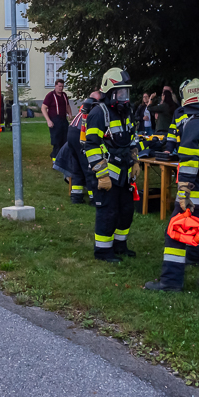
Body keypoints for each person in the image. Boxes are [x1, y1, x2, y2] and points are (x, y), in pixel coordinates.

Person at [145, 79, 199, 295]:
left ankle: (171, 282)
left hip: (198, 193)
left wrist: (183, 192)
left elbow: (190, 161)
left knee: (175, 233)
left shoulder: (195, 123)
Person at [83, 68, 139, 262]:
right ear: (109, 92)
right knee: (108, 212)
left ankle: (120, 245)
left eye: (126, 92)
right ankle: (103, 251)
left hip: (124, 173)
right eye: (120, 93)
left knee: (126, 210)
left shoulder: (126, 112)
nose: (124, 97)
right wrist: (102, 174)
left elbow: (132, 138)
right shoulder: (99, 113)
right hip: (106, 174)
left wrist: (135, 160)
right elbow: (91, 146)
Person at [57, 91, 101, 204]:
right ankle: (94, 198)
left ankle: (76, 196)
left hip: (72, 133)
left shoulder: (85, 105)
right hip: (79, 135)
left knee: (76, 167)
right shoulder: (94, 108)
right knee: (88, 167)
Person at [41, 78, 72, 158]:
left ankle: (63, 156)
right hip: (54, 120)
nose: (61, 88)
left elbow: (67, 106)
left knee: (65, 138)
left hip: (63, 120)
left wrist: (70, 114)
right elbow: (43, 108)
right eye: (59, 86)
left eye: (62, 86)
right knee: (56, 140)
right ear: (55, 86)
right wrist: (48, 120)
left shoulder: (64, 95)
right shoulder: (50, 95)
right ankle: (55, 157)